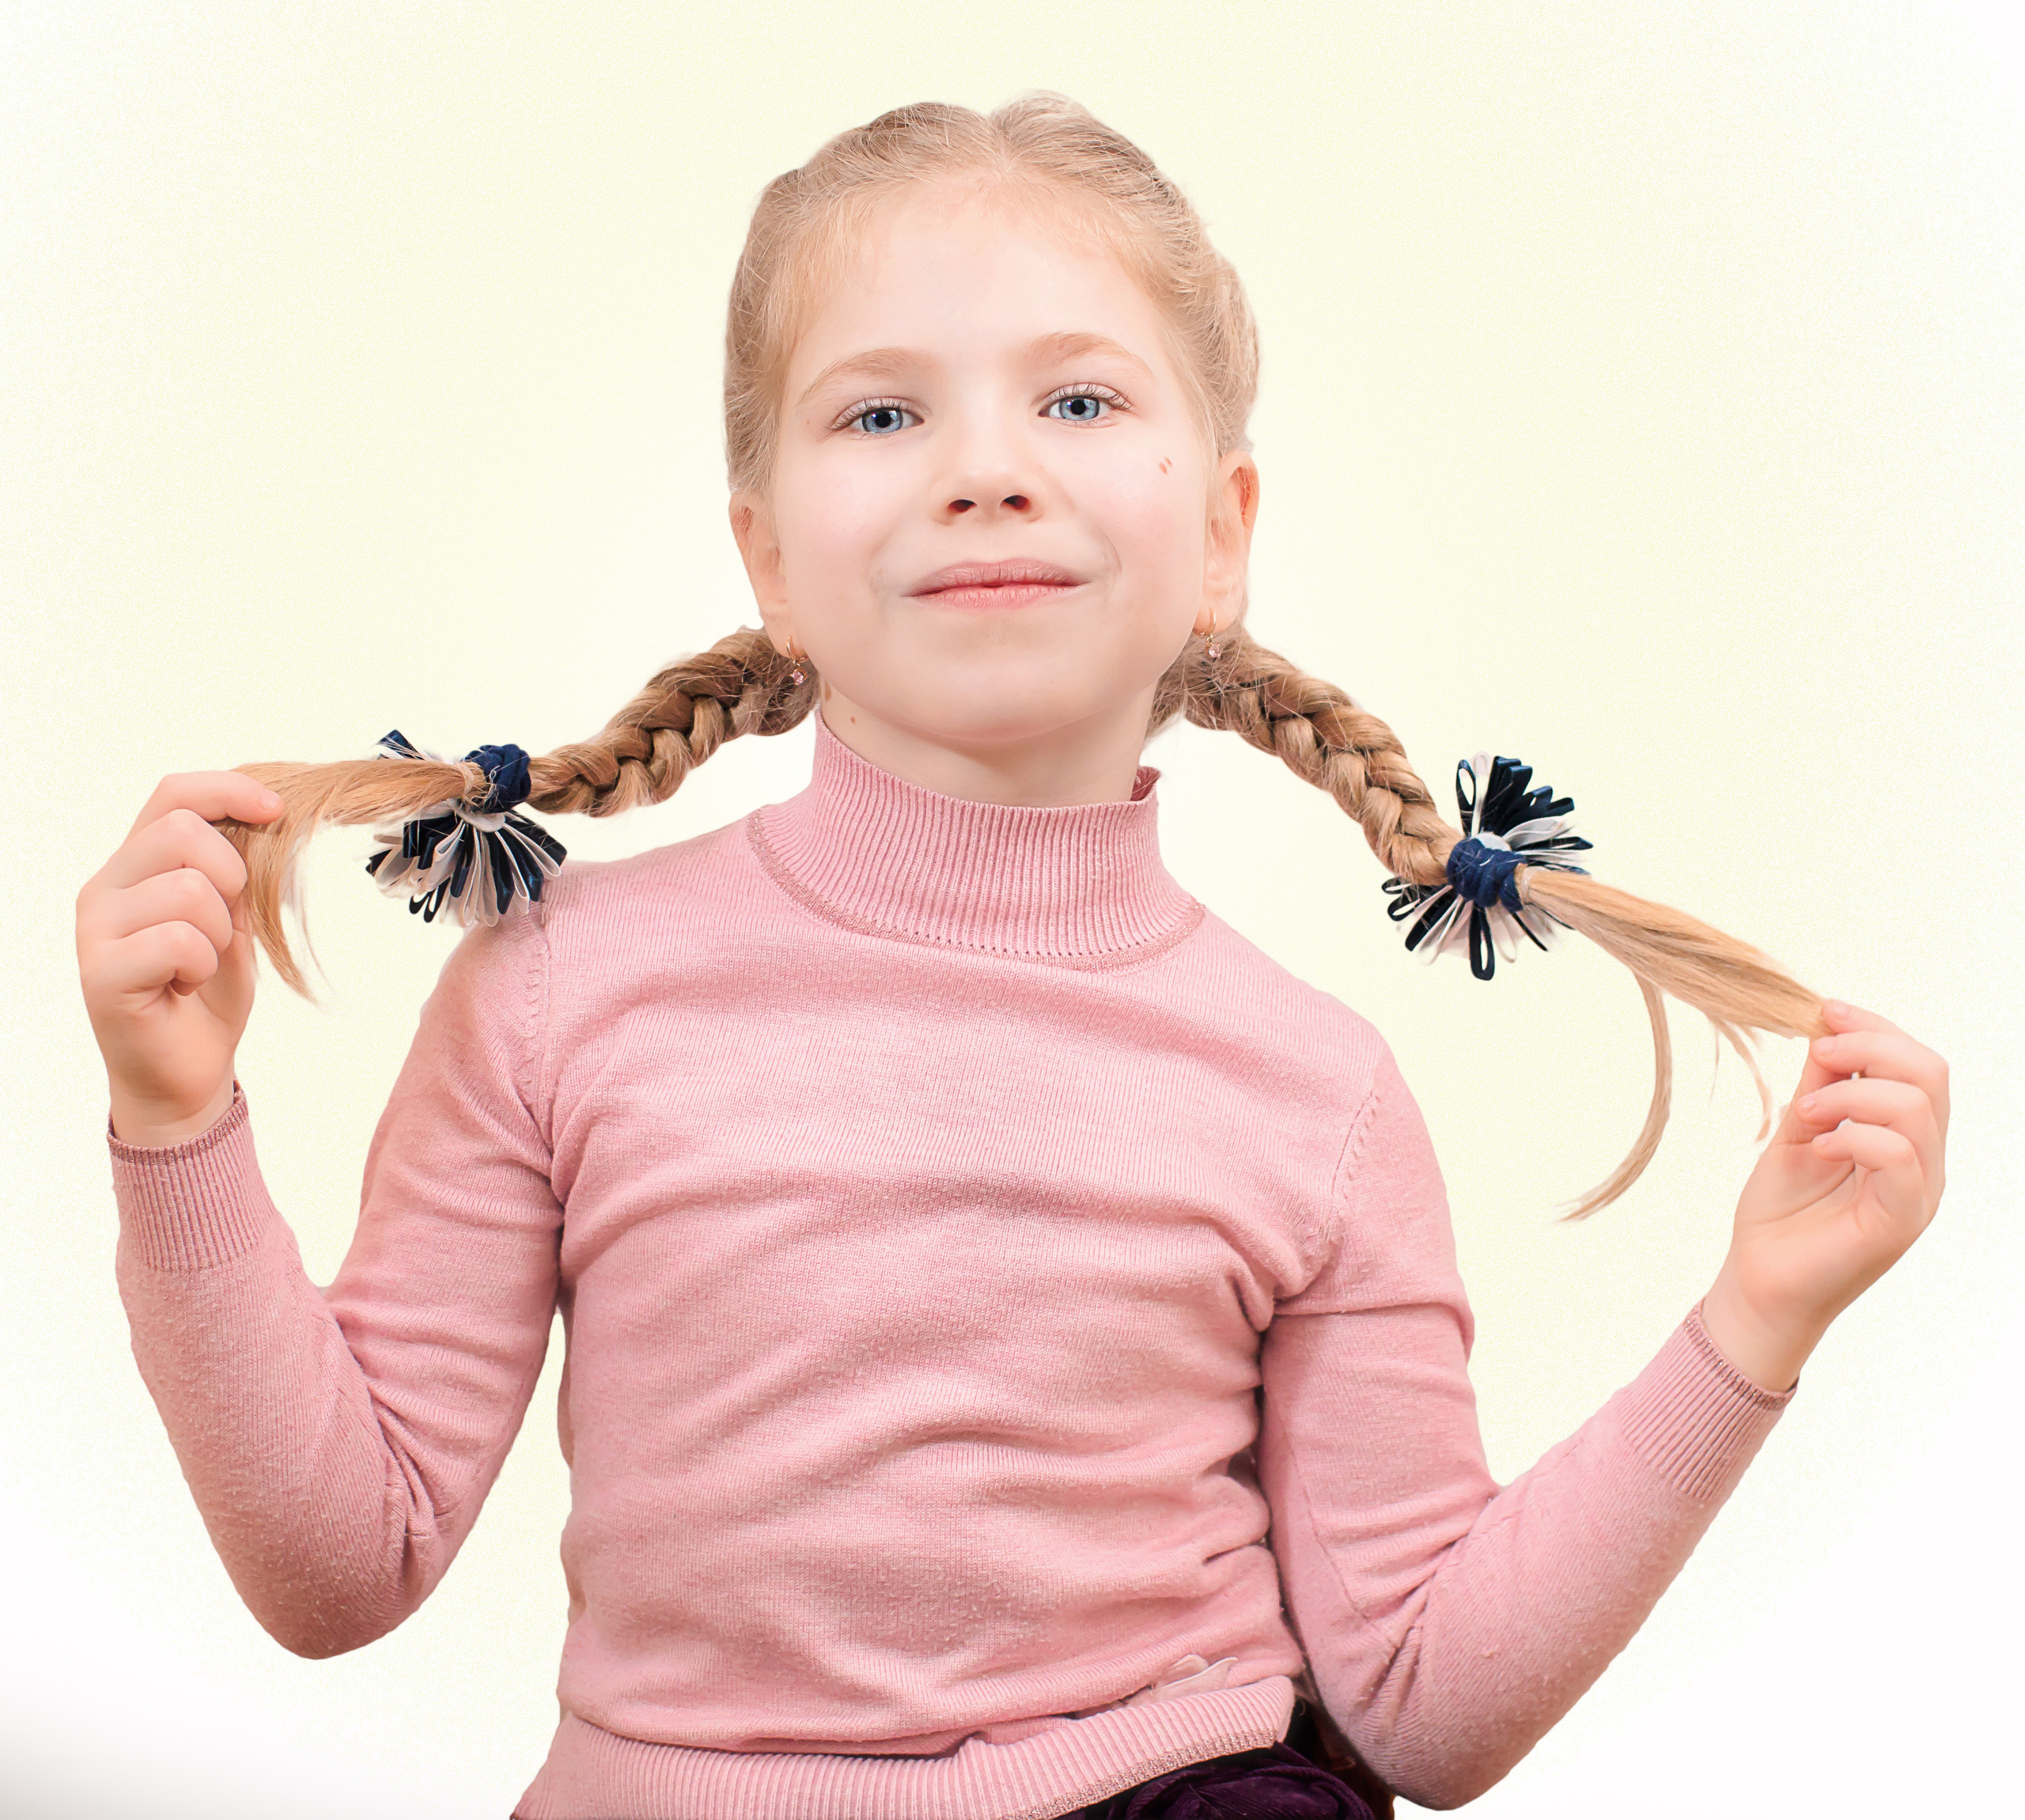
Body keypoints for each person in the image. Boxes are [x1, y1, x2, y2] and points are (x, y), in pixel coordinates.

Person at [74, 93, 1950, 1820]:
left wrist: (1752, 1324)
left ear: (1217, 537)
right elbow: (342, 1565)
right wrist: (178, 1121)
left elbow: (1420, 1705)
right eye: (882, 412)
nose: (984, 468)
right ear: (770, 556)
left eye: (1074, 401)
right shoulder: (558, 991)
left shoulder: (1316, 1091)